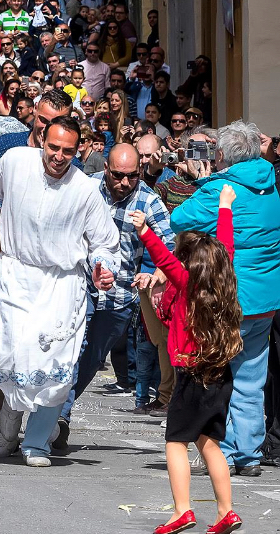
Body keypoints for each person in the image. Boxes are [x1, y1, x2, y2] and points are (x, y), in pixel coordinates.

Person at [0, 117, 119, 466]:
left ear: (78, 150)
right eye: (53, 147)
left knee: (57, 364)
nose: (58, 156)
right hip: (16, 274)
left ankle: (37, 442)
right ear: (42, 139)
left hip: (61, 283)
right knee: (15, 356)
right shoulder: (12, 161)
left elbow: (104, 242)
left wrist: (103, 269)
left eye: (67, 151)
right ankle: (7, 433)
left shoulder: (85, 189)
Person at [171, 120, 280, 477]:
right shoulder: (269, 183)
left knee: (217, 375)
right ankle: (248, 452)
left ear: (221, 155)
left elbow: (180, 218)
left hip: (228, 299)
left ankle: (227, 452)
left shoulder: (221, 187)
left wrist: (202, 181)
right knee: (251, 379)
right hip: (264, 300)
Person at [132, 185, 243, 534]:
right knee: (209, 441)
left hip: (191, 373)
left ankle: (183, 510)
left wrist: (145, 230)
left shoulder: (188, 285)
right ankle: (226, 511)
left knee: (175, 442)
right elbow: (226, 245)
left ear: (189, 266)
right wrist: (225, 206)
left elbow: (164, 259)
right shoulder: (225, 279)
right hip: (220, 374)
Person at [55, 144, 174, 452]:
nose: (125, 182)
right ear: (106, 169)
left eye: (132, 176)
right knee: (73, 353)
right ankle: (57, 418)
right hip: (80, 287)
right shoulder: (84, 186)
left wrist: (156, 273)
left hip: (121, 297)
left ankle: (55, 413)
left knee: (92, 360)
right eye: (118, 175)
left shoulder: (149, 201)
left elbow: (170, 246)